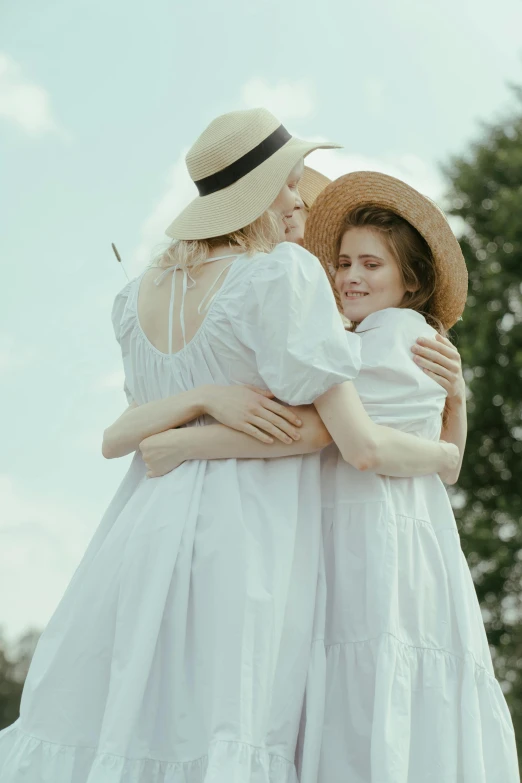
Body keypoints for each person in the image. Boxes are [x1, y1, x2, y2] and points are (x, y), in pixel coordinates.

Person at [0, 110, 458, 783]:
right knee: (226, 733)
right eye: (292, 183)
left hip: (136, 533)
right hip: (246, 534)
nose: (301, 200)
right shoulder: (280, 277)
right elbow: (345, 436)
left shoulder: (138, 297)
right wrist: (448, 451)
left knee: (127, 729)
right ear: (264, 190)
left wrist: (190, 413)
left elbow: (123, 435)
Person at [303, 171, 519, 782]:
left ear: (411, 280)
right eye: (344, 261)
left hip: (375, 530)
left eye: (371, 264)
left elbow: (332, 437)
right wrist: (459, 409)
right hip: (407, 527)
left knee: (369, 684)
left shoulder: (391, 336)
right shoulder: (391, 337)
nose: (350, 276)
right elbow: (445, 455)